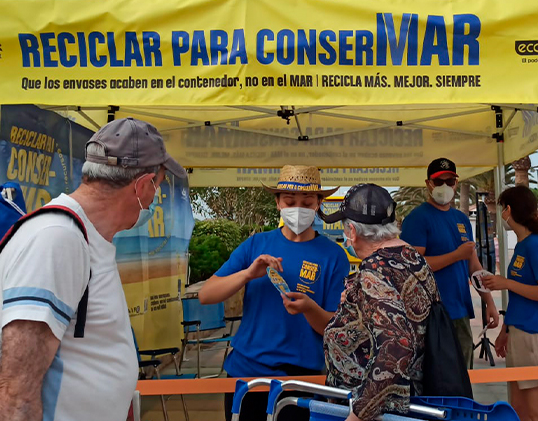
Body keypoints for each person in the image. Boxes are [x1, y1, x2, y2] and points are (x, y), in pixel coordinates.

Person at [0, 117, 186, 421]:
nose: (156, 196)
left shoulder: (86, 237)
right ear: (142, 186)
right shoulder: (58, 239)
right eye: (158, 184)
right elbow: (15, 391)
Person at [199, 165, 350, 421]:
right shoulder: (256, 245)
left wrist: (309, 309)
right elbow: (206, 295)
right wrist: (247, 274)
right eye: (290, 202)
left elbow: (334, 328)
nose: (298, 209)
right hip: (247, 374)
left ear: (319, 204)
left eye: (307, 202)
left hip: (302, 379)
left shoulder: (333, 255)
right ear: (278, 203)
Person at [323, 184, 440, 420]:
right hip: (408, 399)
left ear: (352, 231)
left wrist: (358, 415)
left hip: (381, 412)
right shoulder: (411, 257)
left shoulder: (374, 269)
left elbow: (397, 346)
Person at [400, 158, 499, 368]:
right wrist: (455, 255)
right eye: (439, 182)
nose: (445, 187)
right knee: (435, 379)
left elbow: (474, 266)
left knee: (462, 376)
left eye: (450, 181)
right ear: (428, 184)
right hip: (428, 315)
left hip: (459, 311)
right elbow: (412, 266)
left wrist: (489, 302)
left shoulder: (462, 220)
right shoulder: (417, 219)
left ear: (456, 183)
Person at [483, 186, 538, 421]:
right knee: (519, 409)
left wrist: (506, 283)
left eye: (501, 209)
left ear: (509, 210)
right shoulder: (523, 246)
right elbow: (520, 296)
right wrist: (506, 330)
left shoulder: (535, 245)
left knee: (537, 410)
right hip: (520, 332)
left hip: (533, 335)